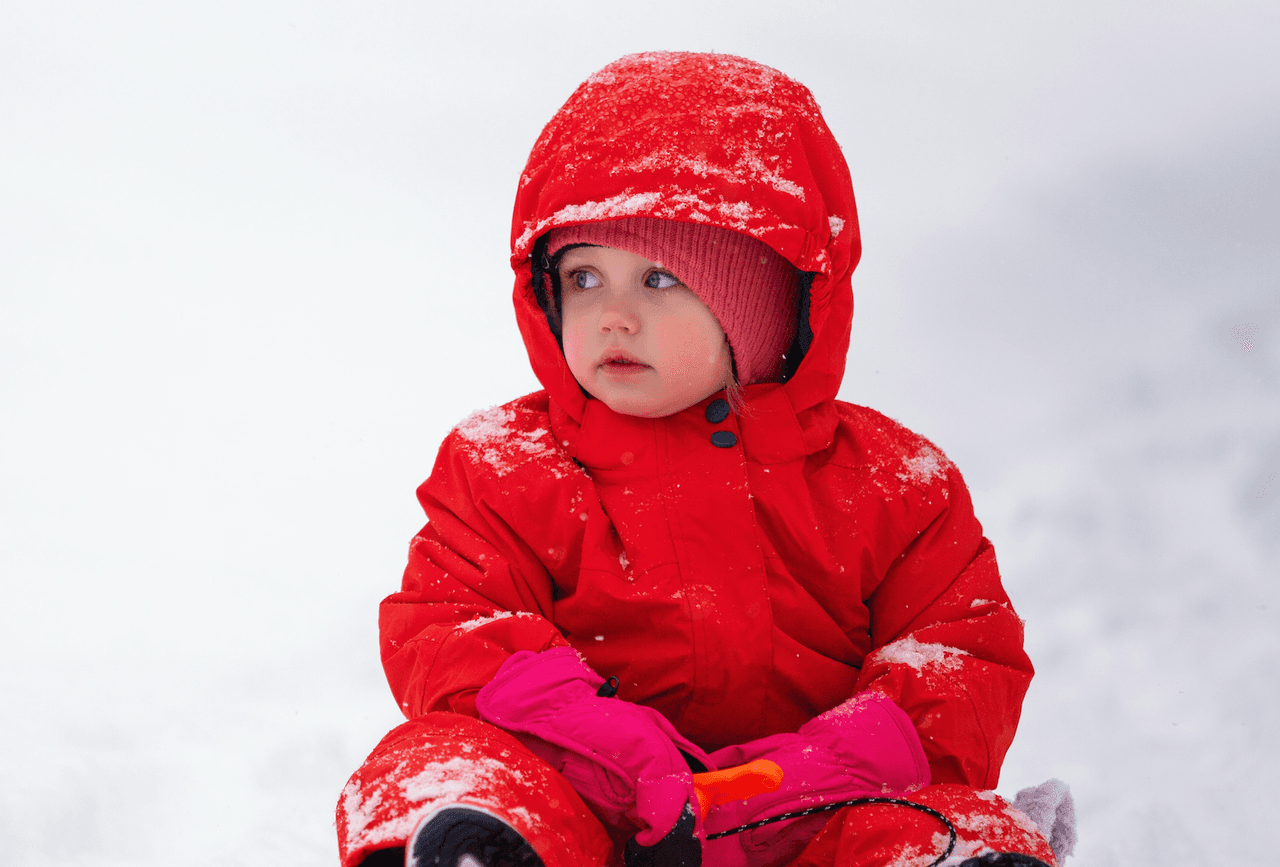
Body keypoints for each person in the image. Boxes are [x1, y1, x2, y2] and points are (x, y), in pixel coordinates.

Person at [335, 52, 1072, 867]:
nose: (612, 315)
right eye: (582, 275)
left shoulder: (894, 483)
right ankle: (477, 853)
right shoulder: (505, 467)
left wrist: (815, 769)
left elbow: (964, 658)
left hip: (821, 818)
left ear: (767, 297)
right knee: (434, 760)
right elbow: (453, 629)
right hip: (592, 812)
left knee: (940, 820)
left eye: (658, 277)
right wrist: (611, 746)